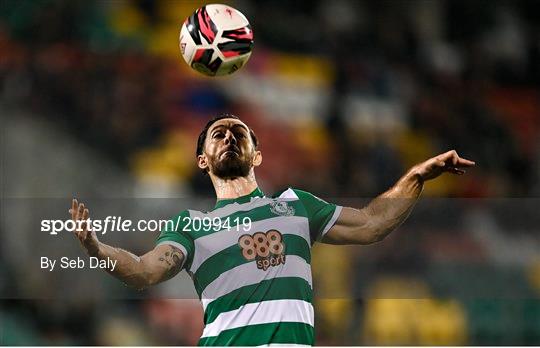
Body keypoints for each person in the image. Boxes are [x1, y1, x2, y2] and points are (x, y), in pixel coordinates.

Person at [70, 114, 475, 346]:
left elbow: (372, 224)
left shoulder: (297, 206)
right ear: (201, 161)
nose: (229, 136)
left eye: (238, 133)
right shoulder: (190, 226)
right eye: (218, 134)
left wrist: (418, 176)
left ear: (257, 154)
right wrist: (94, 245)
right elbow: (144, 271)